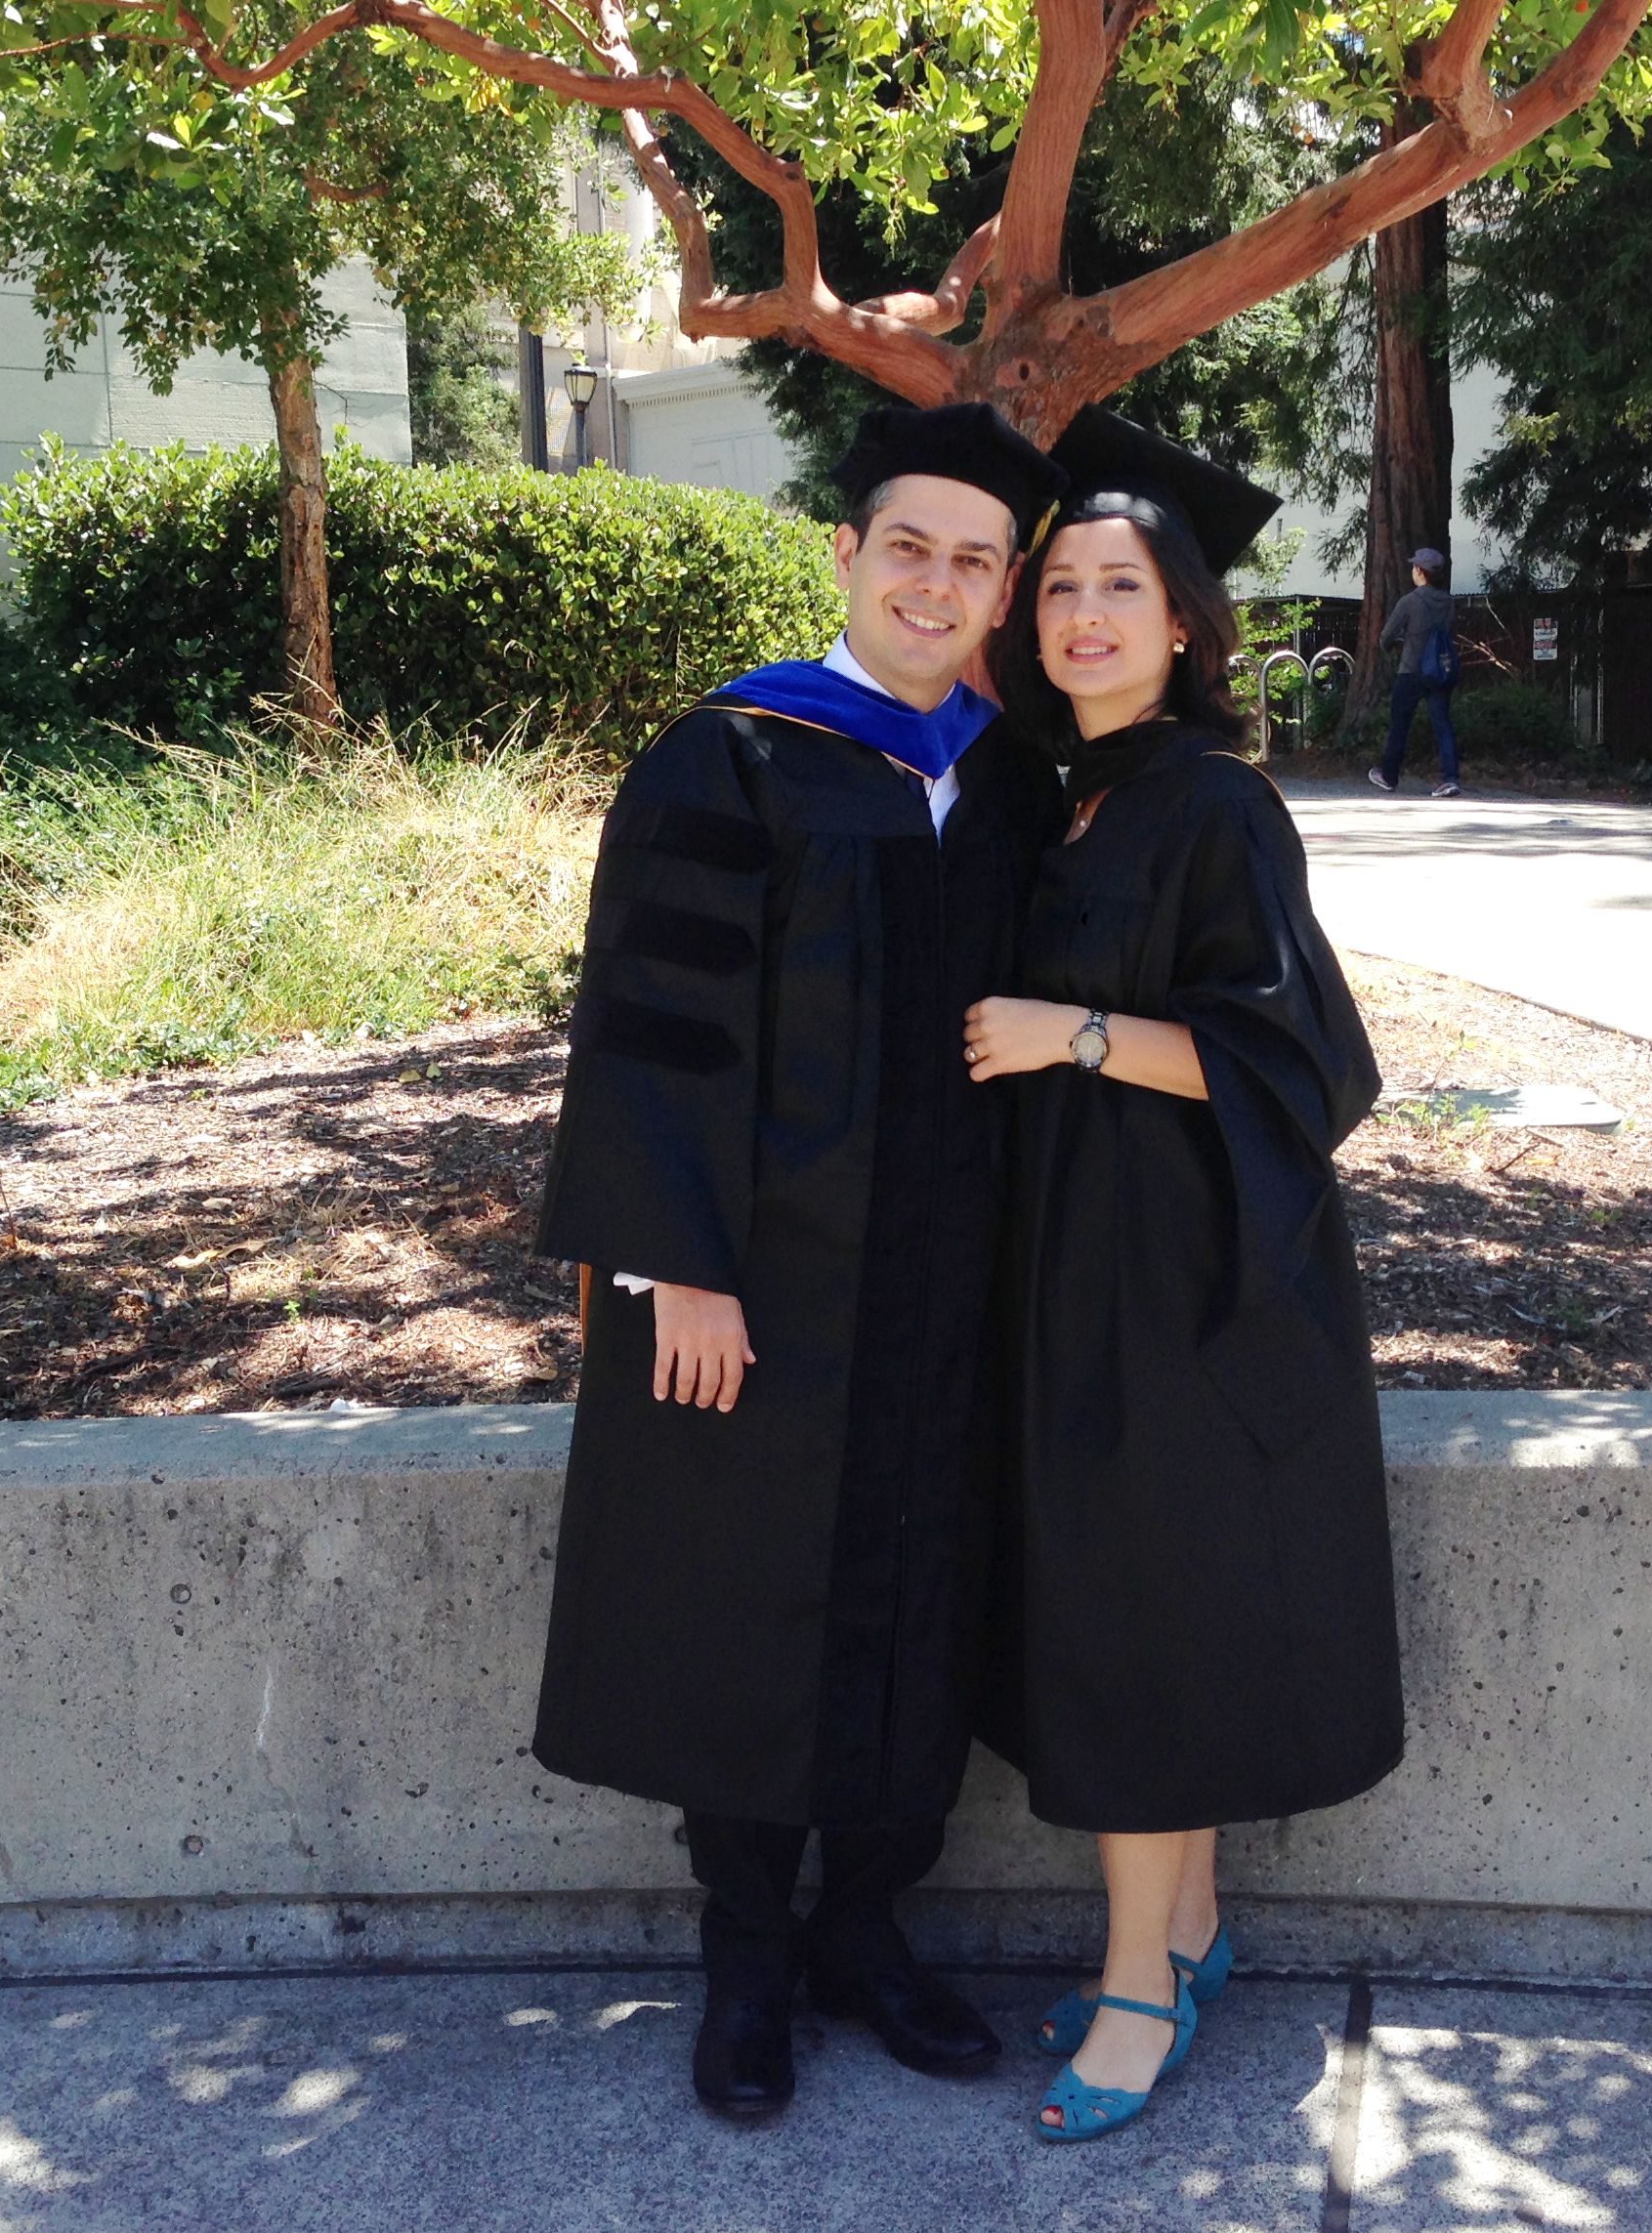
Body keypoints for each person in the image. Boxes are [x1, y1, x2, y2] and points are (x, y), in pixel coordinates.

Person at [530, 403, 1070, 2123]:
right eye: (905, 545)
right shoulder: (737, 757)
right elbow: (648, 1029)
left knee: (929, 1591)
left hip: (951, 1290)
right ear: (842, 554)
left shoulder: (1007, 777)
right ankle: (748, 1951)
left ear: (1001, 589)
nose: (936, 580)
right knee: (749, 1600)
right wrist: (674, 1269)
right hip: (761, 1292)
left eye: (972, 558)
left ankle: (865, 1929)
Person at [965, 412, 1405, 2144]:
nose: (1081, 615)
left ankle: (1137, 1986)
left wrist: (1071, 1034)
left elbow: (1306, 1065)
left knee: (1131, 1622)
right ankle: (1198, 1928)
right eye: (1059, 584)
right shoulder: (1054, 795)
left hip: (1188, 1278)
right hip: (1075, 1267)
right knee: (1127, 1607)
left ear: (1184, 625)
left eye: (1118, 589)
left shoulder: (1211, 805)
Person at [1369, 544, 1461, 797]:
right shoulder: (1447, 602)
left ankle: (1389, 776)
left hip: (1410, 669)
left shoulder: (1409, 601)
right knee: (1442, 724)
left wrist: (1395, 645)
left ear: (1420, 571)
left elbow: (1386, 636)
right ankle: (1450, 778)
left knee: (1400, 724)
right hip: (1439, 669)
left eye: (1414, 566)